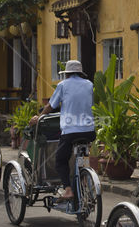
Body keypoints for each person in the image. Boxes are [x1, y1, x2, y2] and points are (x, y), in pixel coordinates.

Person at [29, 59, 94, 201]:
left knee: (60, 160)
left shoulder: (63, 85)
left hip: (70, 131)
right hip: (89, 131)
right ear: (80, 73)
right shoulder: (89, 84)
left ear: (67, 74)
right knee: (82, 156)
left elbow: (51, 106)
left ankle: (68, 190)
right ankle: (84, 178)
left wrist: (39, 117)